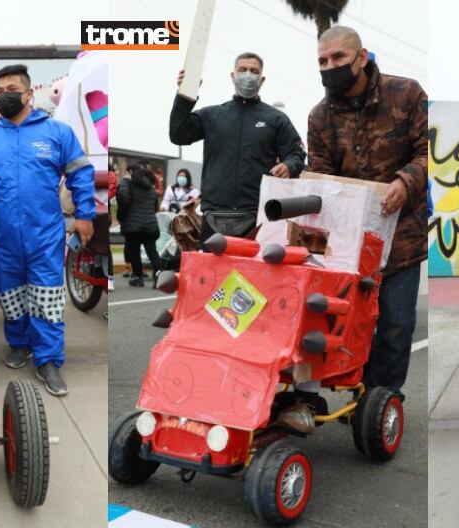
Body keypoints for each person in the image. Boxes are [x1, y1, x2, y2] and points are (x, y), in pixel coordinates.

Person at [0, 64, 96, 397]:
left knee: (47, 296)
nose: (5, 96)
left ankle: (48, 360)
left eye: (12, 89)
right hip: (4, 235)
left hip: (45, 233)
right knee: (10, 294)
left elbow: (81, 174)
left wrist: (85, 215)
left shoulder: (57, 133)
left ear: (30, 94)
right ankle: (18, 343)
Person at [305, 26, 428, 410]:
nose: (330, 67)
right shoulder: (319, 116)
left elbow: (428, 151)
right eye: (323, 61)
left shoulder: (406, 93)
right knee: (341, 323)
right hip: (346, 243)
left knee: (394, 326)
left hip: (401, 239)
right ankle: (343, 392)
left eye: (338, 58)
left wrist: (405, 181)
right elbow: (321, 178)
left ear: (362, 57)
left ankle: (382, 403)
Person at [169, 52, 306, 247]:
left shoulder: (276, 119)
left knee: (251, 277)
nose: (248, 75)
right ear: (233, 76)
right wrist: (185, 95)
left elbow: (296, 153)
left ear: (262, 79)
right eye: (242, 70)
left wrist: (289, 165)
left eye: (254, 71)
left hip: (257, 216)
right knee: (211, 276)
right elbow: (178, 134)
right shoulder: (213, 115)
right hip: (213, 216)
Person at [117, 164, 163, 287]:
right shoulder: (150, 186)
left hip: (133, 225)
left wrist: (121, 217)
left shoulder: (128, 183)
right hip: (150, 224)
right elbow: (154, 206)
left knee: (134, 252)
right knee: (152, 251)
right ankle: (159, 276)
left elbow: (123, 198)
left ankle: (138, 278)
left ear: (131, 172)